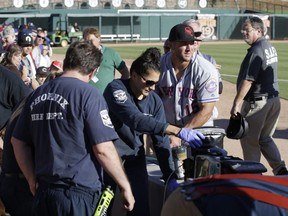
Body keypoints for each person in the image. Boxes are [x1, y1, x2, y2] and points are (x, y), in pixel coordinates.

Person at [11, 41, 135, 215]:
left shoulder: (37, 94)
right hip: (77, 193)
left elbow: (17, 141)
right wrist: (125, 185)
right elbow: (103, 149)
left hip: (44, 191)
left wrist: (31, 178)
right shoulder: (88, 94)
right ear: (93, 71)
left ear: (67, 62)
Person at [103, 47, 205, 216]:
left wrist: (169, 174)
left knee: (141, 209)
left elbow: (160, 139)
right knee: (102, 207)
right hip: (109, 158)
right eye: (148, 82)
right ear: (134, 75)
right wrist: (176, 130)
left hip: (134, 158)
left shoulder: (154, 101)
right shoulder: (116, 88)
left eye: (155, 83)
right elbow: (135, 119)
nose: (152, 87)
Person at [229, 16, 288, 175]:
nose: (244, 33)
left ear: (259, 31)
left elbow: (248, 80)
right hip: (273, 100)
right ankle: (280, 168)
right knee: (265, 137)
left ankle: (254, 176)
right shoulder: (269, 46)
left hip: (258, 103)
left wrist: (236, 103)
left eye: (247, 30)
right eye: (243, 30)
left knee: (250, 141)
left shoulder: (256, 50)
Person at [157, 24, 219, 147]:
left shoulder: (205, 70)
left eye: (191, 43)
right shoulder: (159, 66)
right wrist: (166, 130)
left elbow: (206, 110)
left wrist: (181, 134)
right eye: (183, 43)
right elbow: (151, 102)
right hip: (169, 130)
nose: (189, 48)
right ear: (171, 44)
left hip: (198, 130)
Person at [182, 19, 223, 125]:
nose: (194, 39)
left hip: (201, 119)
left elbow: (219, 88)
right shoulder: (172, 59)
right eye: (191, 34)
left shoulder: (208, 60)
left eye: (197, 35)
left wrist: (209, 72)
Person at [0, 97, 34, 216]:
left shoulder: (27, 101)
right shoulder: (35, 103)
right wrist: (32, 180)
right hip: (22, 184)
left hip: (10, 180)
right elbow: (18, 142)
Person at [83, 27, 130, 93]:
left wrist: (120, 87)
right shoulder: (81, 55)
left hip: (107, 97)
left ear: (99, 39)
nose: (88, 43)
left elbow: (125, 72)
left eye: (91, 40)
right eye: (86, 41)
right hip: (87, 95)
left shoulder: (111, 53)